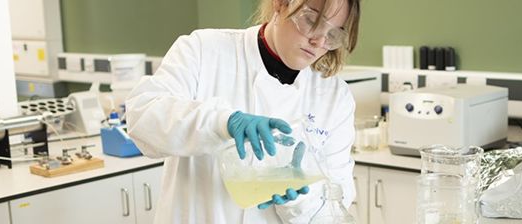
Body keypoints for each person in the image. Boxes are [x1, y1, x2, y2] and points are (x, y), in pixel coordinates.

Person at [125, 0, 361, 222]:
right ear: (280, 3)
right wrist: (221, 123)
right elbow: (142, 116)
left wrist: (301, 196)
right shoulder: (204, 50)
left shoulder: (333, 97)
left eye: (332, 33)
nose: (319, 42)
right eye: (311, 21)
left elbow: (336, 204)